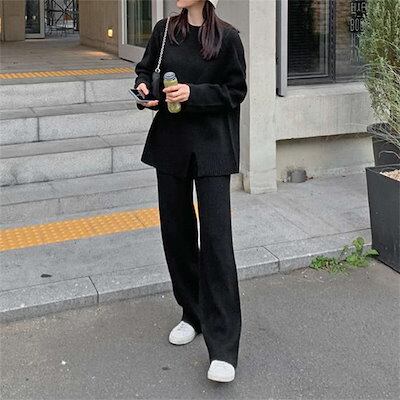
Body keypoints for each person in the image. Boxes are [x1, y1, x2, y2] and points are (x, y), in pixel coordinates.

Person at [134, 0, 247, 382]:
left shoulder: (227, 37)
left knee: (216, 241)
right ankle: (192, 313)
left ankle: (224, 347)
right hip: (171, 145)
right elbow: (145, 69)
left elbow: (235, 91)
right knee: (177, 234)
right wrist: (145, 87)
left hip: (212, 147)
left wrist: (192, 94)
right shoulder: (165, 30)